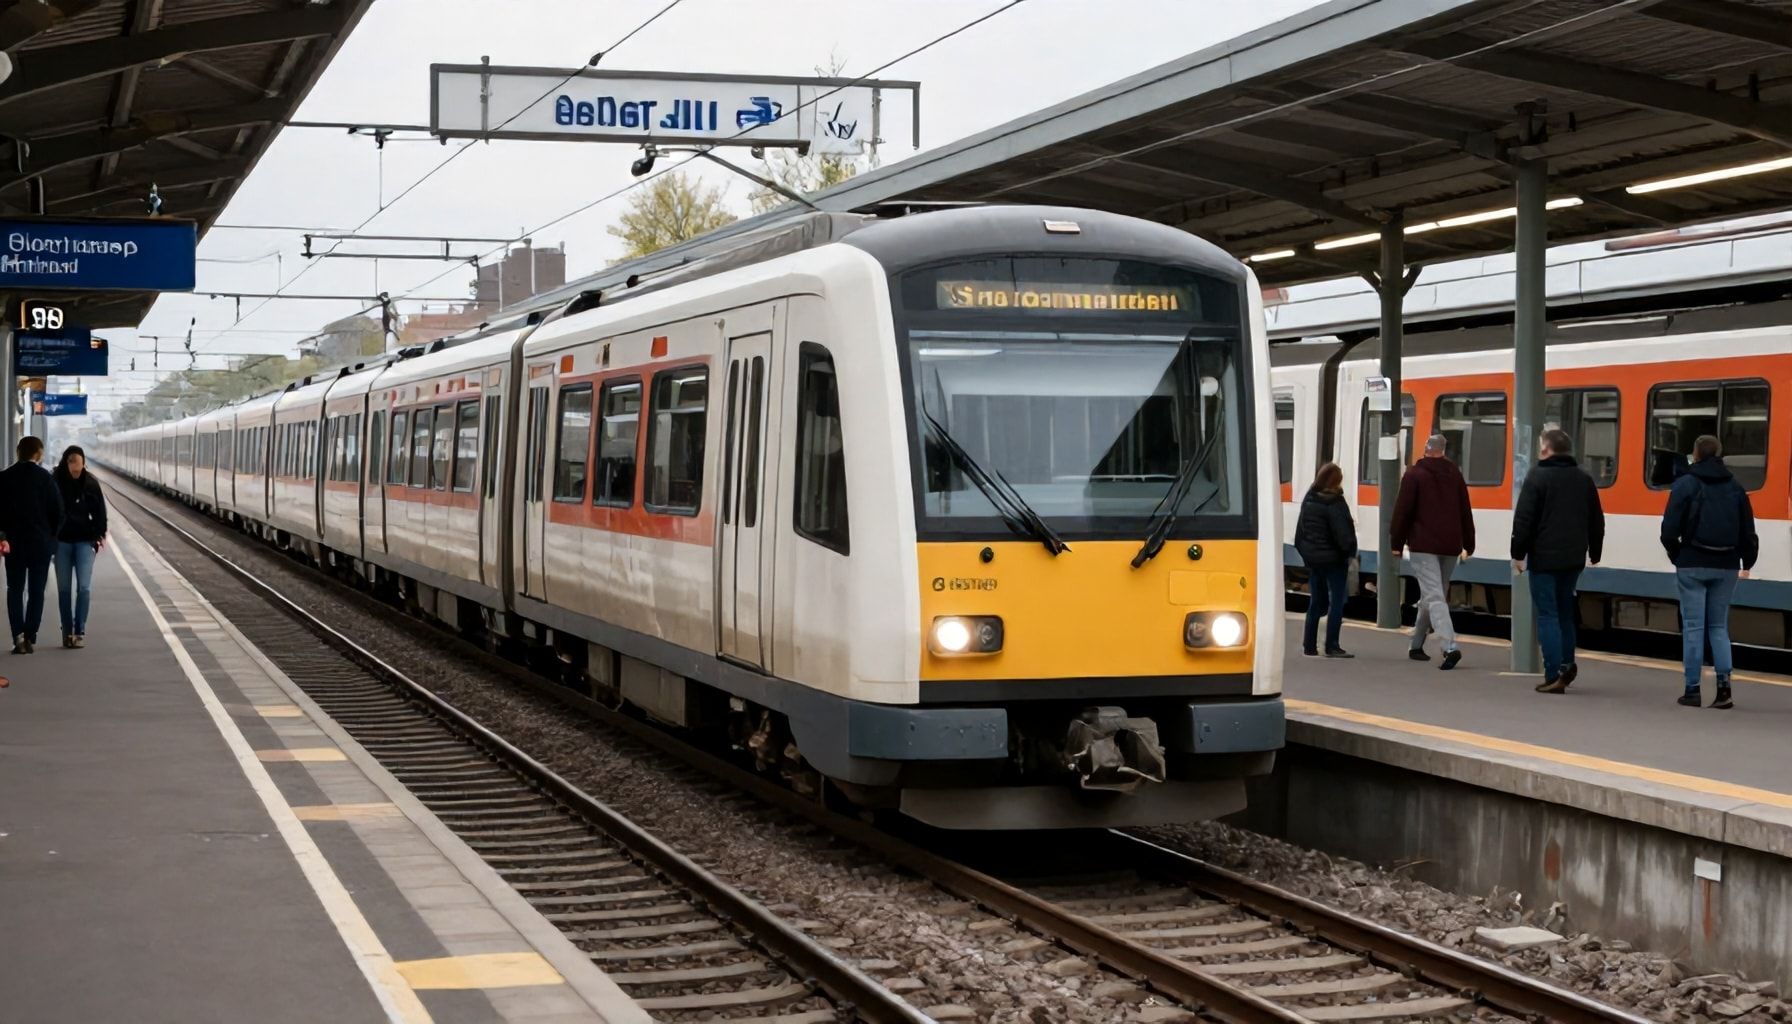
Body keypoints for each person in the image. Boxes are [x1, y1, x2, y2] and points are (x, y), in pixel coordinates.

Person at [1661, 435, 1758, 709]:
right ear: (1719, 454)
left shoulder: (1685, 484)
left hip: (1692, 562)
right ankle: (1724, 689)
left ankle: (1692, 690)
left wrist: (1676, 554)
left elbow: (1669, 529)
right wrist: (1747, 562)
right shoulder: (1736, 488)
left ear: (1695, 454)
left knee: (1694, 627)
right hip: (1726, 565)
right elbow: (1747, 531)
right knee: (1718, 627)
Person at [1510, 429, 1605, 694]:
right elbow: (1596, 519)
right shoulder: (1583, 479)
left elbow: (1524, 520)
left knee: (1548, 615)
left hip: (1544, 558)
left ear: (1546, 449)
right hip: (1573, 558)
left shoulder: (1537, 477)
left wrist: (1518, 554)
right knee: (1565, 613)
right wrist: (1595, 552)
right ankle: (1567, 664)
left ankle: (1553, 674)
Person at [1390, 434, 1475, 670]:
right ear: (1443, 451)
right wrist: (1469, 542)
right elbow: (1464, 510)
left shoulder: (1413, 475)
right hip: (1450, 545)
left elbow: (1402, 512)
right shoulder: (1455, 475)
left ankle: (1449, 647)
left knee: (1434, 596)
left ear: (1426, 450)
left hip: (1424, 545)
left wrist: (1396, 543)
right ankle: (1416, 645)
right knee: (1435, 594)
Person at [0, 436, 65, 654]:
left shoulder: (4, 477)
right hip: (40, 544)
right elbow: (58, 512)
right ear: (38, 453)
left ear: (18, 451)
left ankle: (17, 637)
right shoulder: (45, 478)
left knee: (15, 589)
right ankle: (30, 637)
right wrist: (51, 537)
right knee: (37, 591)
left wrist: (2, 537)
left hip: (14, 544)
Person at [1294, 462, 1358, 658]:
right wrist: (1350, 552)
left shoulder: (1309, 499)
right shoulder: (1336, 502)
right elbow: (1343, 534)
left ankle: (1309, 645)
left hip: (1314, 560)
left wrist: (1307, 553)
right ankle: (1332, 645)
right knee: (1337, 602)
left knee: (1315, 602)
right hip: (1335, 561)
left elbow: (1300, 532)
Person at [52, 445, 107, 649]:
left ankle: (79, 630)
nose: (75, 470)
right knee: (64, 590)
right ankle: (67, 632)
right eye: (71, 464)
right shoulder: (55, 481)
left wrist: (99, 534)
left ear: (84, 463)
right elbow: (49, 509)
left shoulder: (91, 483)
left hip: (85, 541)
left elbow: (100, 511)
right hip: (62, 543)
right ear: (66, 463)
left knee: (84, 587)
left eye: (78, 464)